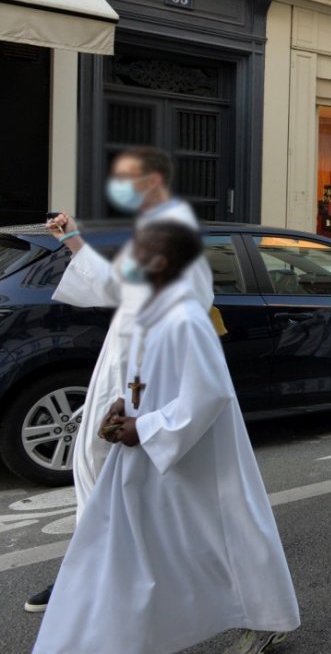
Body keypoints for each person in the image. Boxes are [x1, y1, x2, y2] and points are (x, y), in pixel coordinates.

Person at [33, 222, 299, 654]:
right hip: (160, 451)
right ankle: (124, 627)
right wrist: (121, 410)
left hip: (197, 450)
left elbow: (207, 392)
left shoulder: (187, 317)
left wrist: (145, 427)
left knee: (230, 530)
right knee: (161, 539)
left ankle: (268, 617)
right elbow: (142, 375)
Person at [28, 146, 214, 614]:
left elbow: (181, 313)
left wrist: (150, 405)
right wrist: (72, 237)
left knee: (126, 483)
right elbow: (115, 286)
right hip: (118, 371)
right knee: (94, 472)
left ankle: (108, 580)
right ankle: (91, 572)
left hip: (142, 380)